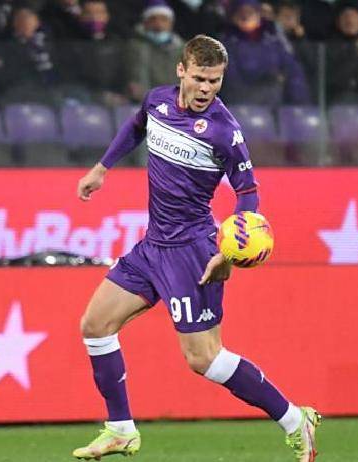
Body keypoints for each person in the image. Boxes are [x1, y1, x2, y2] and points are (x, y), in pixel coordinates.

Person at [72, 34, 321, 462]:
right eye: (200, 78)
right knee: (95, 326)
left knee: (204, 359)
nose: (207, 88)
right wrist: (102, 168)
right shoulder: (157, 102)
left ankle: (296, 420)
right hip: (153, 246)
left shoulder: (225, 131)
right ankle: (121, 430)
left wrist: (228, 254)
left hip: (193, 251)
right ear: (181, 71)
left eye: (215, 80)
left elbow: (248, 193)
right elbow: (136, 126)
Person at [126, 0, 185, 102]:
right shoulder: (135, 48)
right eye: (153, 19)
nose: (158, 25)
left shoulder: (183, 50)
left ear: (171, 23)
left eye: (164, 19)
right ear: (145, 23)